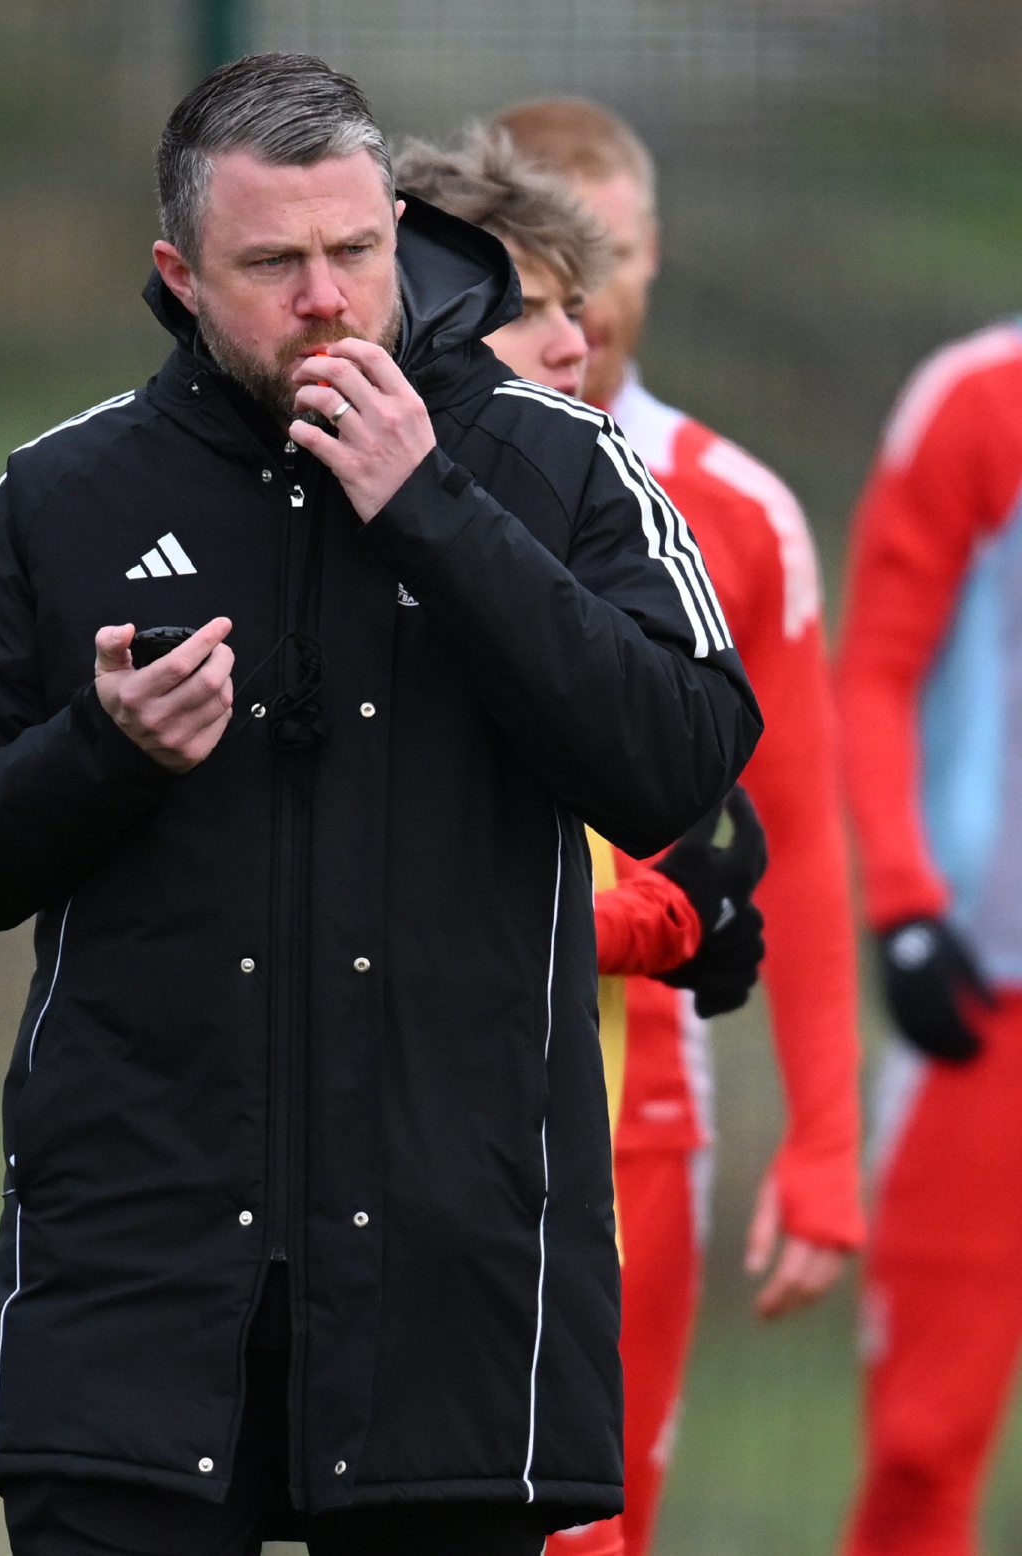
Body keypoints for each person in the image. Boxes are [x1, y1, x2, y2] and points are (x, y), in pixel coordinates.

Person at [0, 54, 761, 1556]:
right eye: (272, 263)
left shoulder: (553, 465)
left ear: (395, 226)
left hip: (450, 1296)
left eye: (355, 250)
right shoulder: (67, 490)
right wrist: (102, 748)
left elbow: (681, 756)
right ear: (180, 273)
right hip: (134, 1304)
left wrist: (432, 511)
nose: (328, 297)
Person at [492, 97, 866, 1556]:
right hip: (397, 1103)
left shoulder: (739, 510)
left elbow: (794, 839)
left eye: (617, 257)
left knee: (591, 1528)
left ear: (657, 257)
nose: (588, 305)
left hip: (633, 1109)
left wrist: (826, 1141)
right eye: (545, 274)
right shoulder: (377, 483)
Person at [392, 123, 770, 1130]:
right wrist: (658, 920)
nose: (577, 339)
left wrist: (683, 900)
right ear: (432, 319)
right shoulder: (383, 562)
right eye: (534, 311)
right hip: (440, 1165)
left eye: (578, 303)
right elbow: (404, 916)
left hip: (562, 1143)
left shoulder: (601, 520)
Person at [833, 317, 1022, 1556]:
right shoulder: (978, 400)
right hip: (987, 1003)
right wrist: (902, 901)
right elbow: (876, 672)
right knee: (920, 1444)